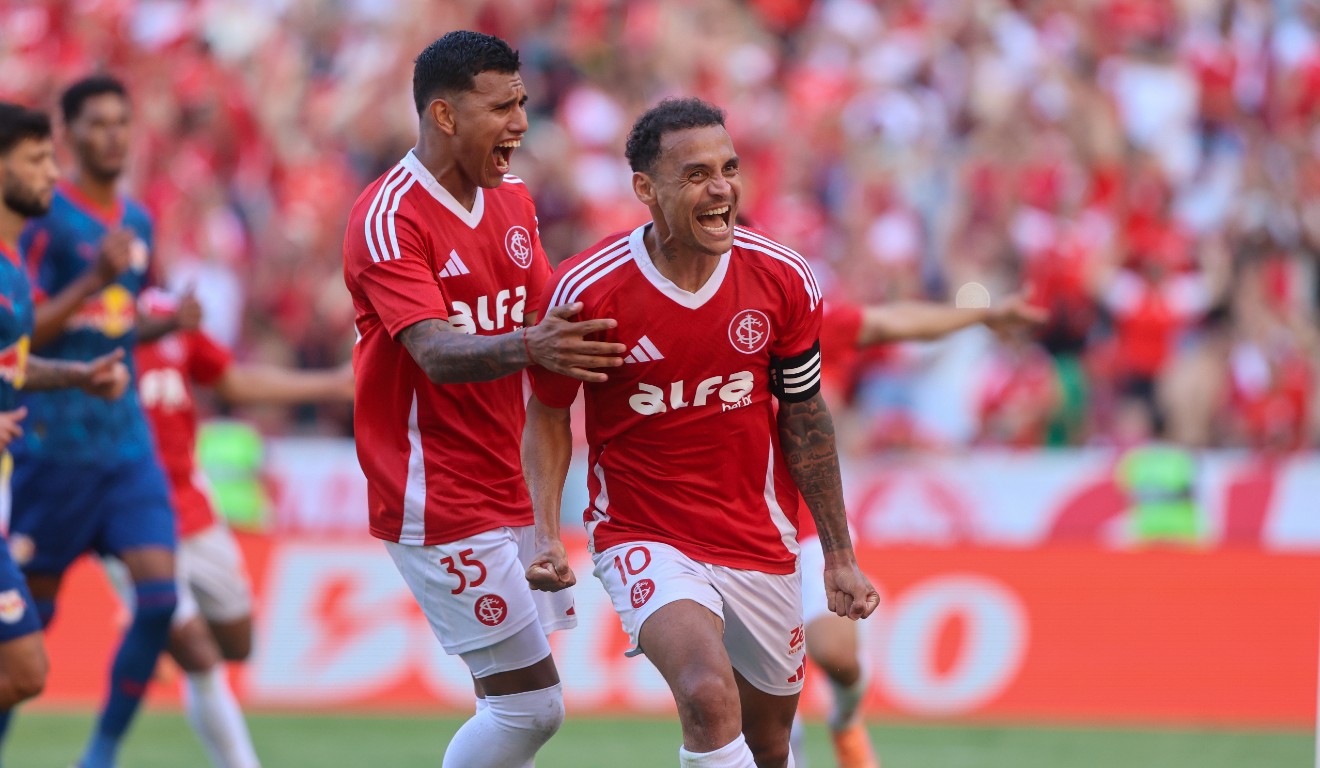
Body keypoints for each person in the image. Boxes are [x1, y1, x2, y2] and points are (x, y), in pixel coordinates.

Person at [524, 97, 879, 768]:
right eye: (695, 175)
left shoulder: (782, 280)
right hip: (644, 531)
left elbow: (805, 418)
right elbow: (546, 413)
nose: (721, 189)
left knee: (770, 742)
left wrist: (836, 555)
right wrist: (544, 531)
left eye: (729, 169)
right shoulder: (588, 293)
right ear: (645, 190)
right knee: (708, 695)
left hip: (757, 536)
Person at [341, 31, 624, 767]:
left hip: (508, 479)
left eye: (523, 103)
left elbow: (551, 318)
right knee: (529, 708)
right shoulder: (389, 217)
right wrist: (535, 345)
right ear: (443, 115)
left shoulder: (514, 202)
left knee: (509, 706)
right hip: (434, 492)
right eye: (502, 107)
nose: (521, 123)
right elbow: (435, 353)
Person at [8, 76, 193, 768]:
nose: (113, 135)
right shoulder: (43, 216)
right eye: (98, 123)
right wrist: (91, 280)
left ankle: (100, 756)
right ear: (70, 133)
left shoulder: (137, 221)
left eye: (123, 121)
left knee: (158, 597)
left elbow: (111, 328)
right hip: (52, 445)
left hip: (125, 443)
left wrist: (163, 323)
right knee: (31, 631)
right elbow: (24, 334)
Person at [99, 287, 354, 768]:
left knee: (236, 642)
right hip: (131, 515)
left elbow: (232, 381)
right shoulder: (81, 323)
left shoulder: (165, 313)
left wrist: (332, 384)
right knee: (198, 654)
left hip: (192, 509)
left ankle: (148, 630)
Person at [795, 295, 1046, 768]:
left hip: (805, 521)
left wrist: (982, 314)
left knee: (836, 654)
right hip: (727, 533)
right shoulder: (684, 329)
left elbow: (892, 320)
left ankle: (846, 720)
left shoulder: (783, 315)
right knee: (764, 711)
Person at [0, 100, 139, 760]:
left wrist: (79, 377)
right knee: (25, 668)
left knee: (25, 671)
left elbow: (13, 366)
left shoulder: (11, 270)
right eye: (35, 161)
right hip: (36, 477)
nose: (53, 174)